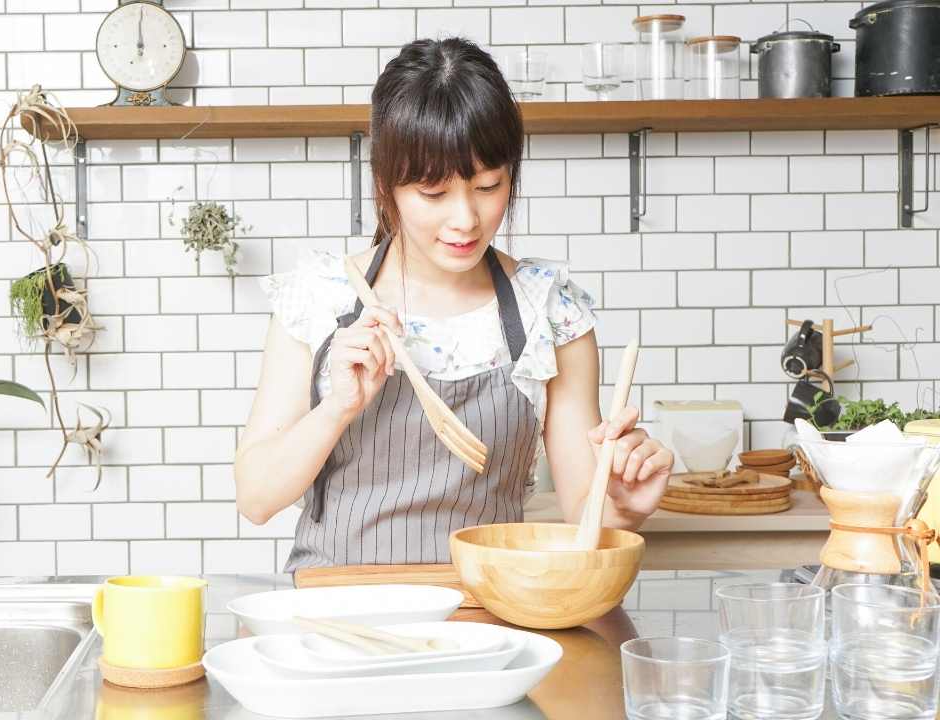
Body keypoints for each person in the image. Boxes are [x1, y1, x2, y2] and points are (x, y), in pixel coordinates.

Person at [234, 37, 673, 571]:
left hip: (495, 611)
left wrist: (623, 507)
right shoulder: (319, 298)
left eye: (488, 185)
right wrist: (337, 407)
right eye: (434, 193)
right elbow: (256, 499)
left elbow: (586, 513)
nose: (465, 219)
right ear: (385, 184)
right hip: (340, 611)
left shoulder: (549, 311)